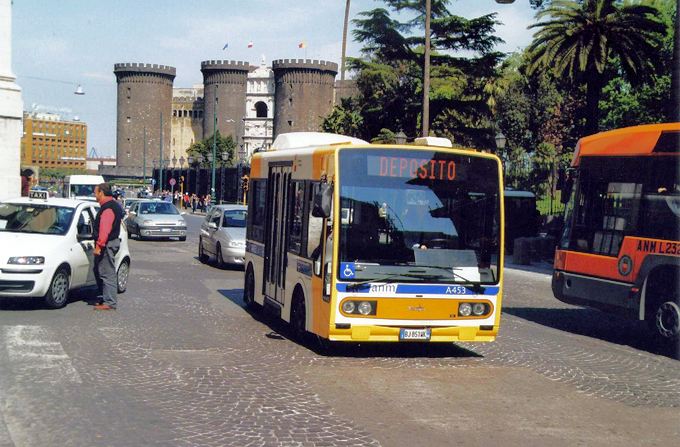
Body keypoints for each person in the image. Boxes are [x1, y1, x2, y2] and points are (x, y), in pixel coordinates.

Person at [93, 183, 123, 310]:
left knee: (107, 273)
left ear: (101, 193)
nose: (94, 195)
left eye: (95, 192)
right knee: (101, 271)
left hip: (107, 243)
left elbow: (105, 229)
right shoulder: (113, 205)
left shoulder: (108, 208)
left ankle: (109, 302)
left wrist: (99, 245)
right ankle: (105, 298)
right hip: (111, 242)